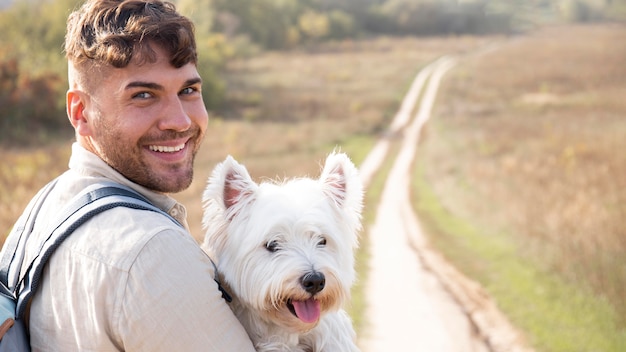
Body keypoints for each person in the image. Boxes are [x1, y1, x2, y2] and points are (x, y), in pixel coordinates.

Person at [5, 0, 256, 350]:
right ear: (81, 112)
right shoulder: (152, 253)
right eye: (143, 95)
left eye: (188, 91)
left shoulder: (46, 206)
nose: (180, 121)